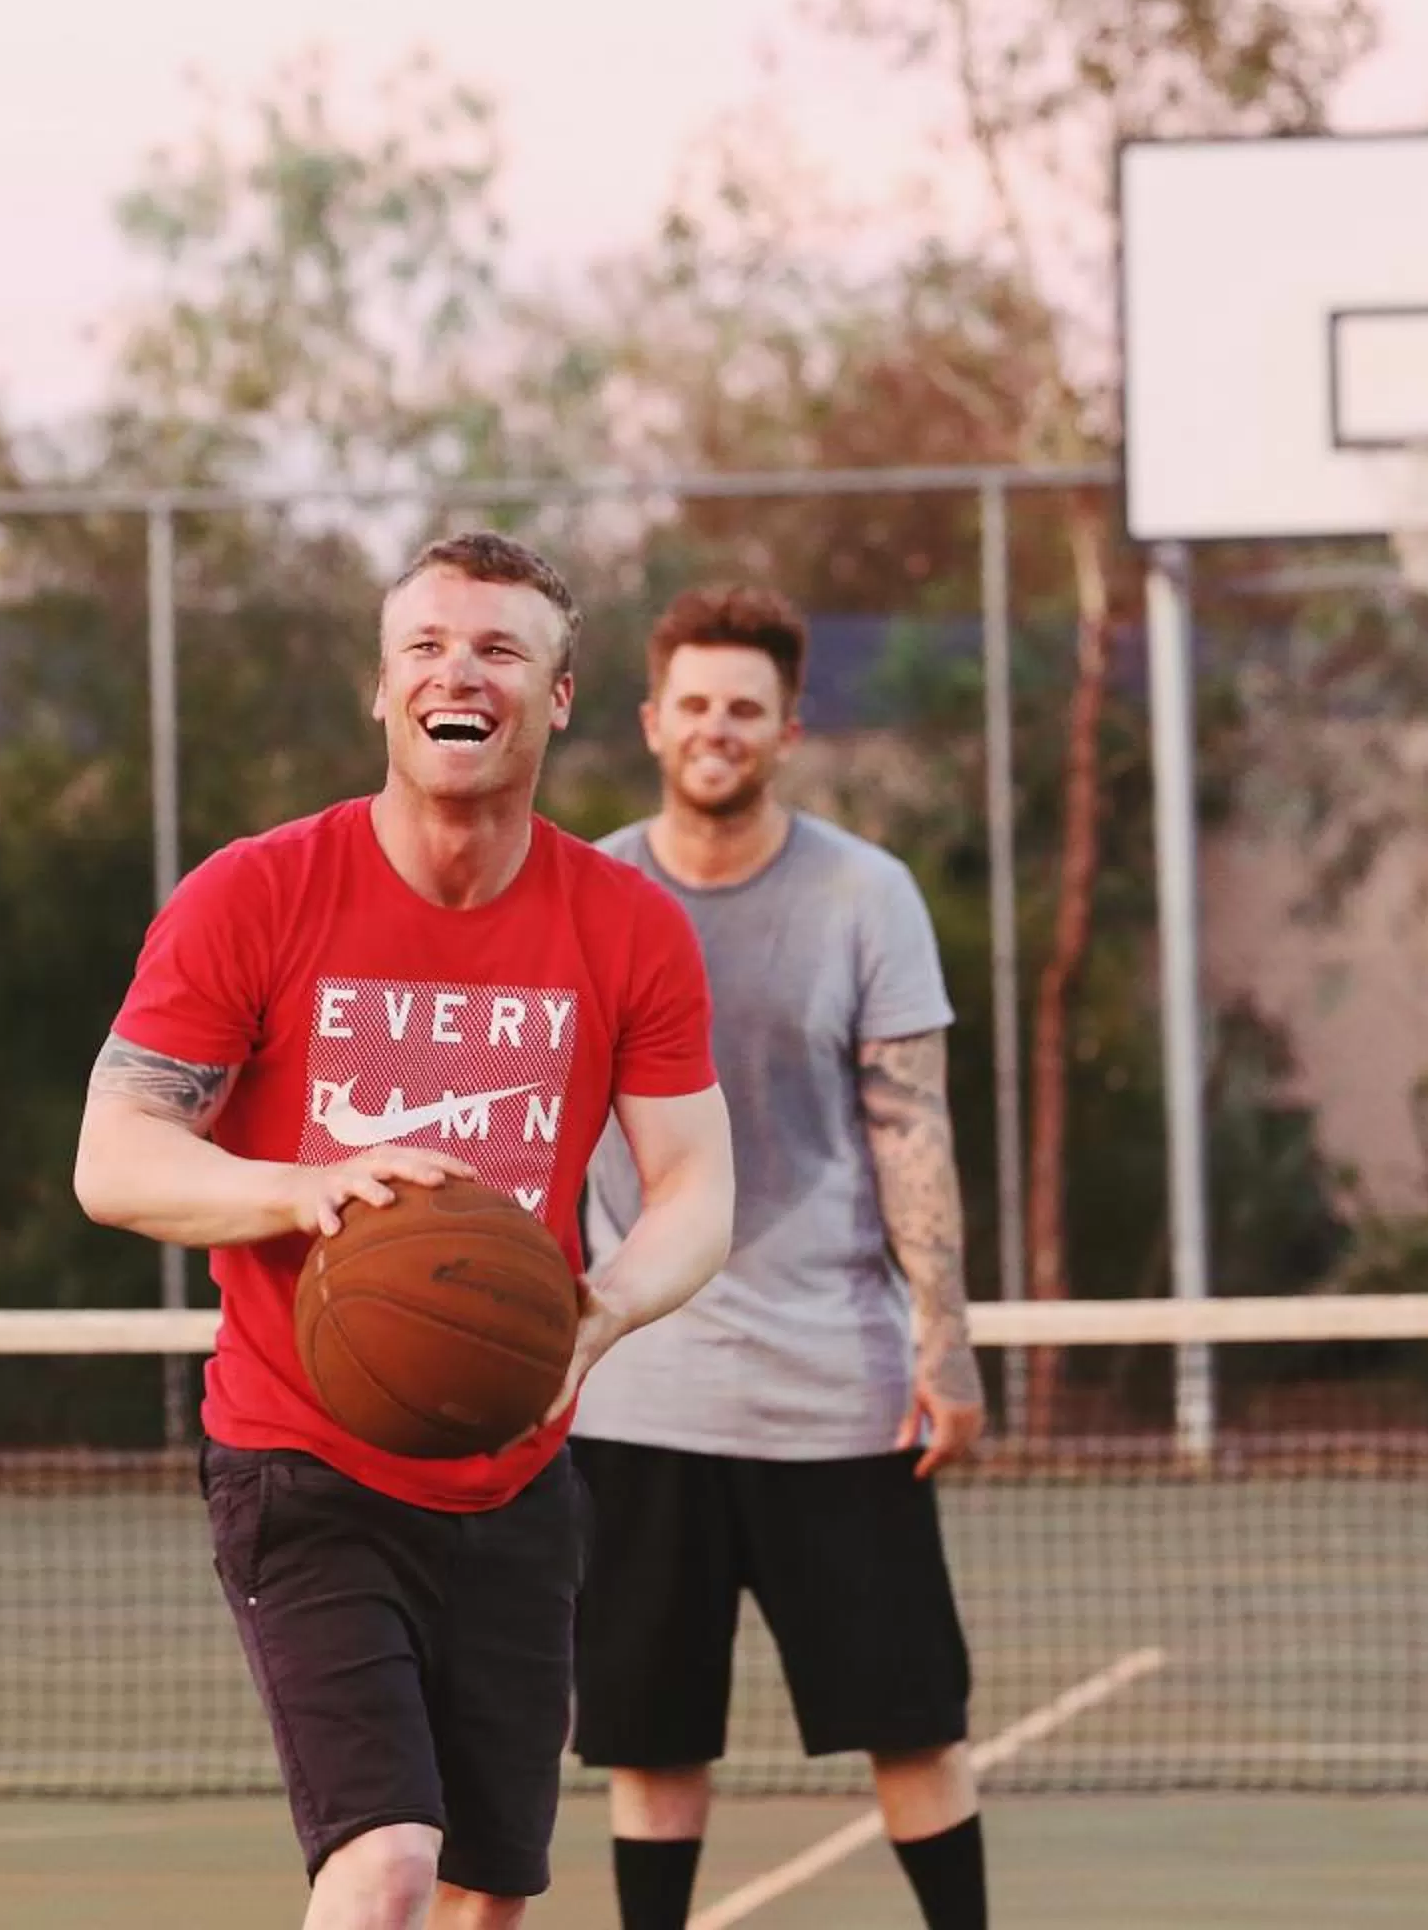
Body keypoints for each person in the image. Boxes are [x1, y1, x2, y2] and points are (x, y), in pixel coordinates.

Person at [74, 531, 738, 1930]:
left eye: (502, 651)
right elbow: (114, 1158)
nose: (461, 673)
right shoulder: (257, 894)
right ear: (381, 692)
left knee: (488, 1896)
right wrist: (297, 1189)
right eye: (427, 648)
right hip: (303, 1463)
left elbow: (698, 1187)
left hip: (515, 1468)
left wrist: (603, 1309)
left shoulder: (628, 927)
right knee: (384, 1868)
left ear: (558, 700)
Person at [570, 584, 993, 1930]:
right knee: (651, 1751)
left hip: (837, 1393)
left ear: (789, 728)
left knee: (916, 1734)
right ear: (650, 720)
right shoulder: (582, 890)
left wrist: (948, 1345)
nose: (717, 727)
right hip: (637, 1399)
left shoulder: (870, 894)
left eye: (744, 707)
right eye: (693, 703)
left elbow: (910, 1131)